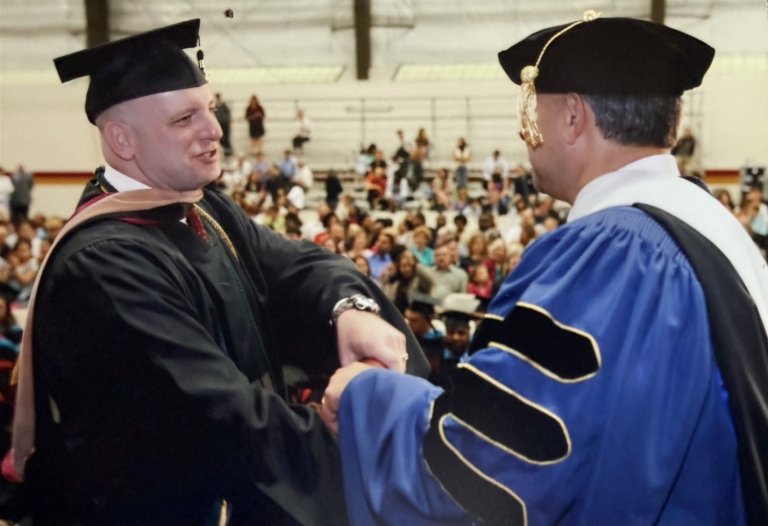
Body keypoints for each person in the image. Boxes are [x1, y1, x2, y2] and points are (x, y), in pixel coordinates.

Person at [320, 12, 768, 526]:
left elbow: (490, 467)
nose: (525, 130)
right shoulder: (713, 225)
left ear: (574, 116)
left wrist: (366, 397)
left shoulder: (615, 254)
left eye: (534, 107)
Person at [8, 19, 428, 525]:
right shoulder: (102, 264)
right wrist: (360, 441)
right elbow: (211, 415)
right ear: (122, 139)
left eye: (210, 107)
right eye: (185, 118)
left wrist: (350, 311)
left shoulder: (203, 208)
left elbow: (301, 266)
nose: (215, 129)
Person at [213, 92, 232, 157]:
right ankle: (224, 149)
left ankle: (228, 151)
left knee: (226, 137)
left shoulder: (224, 105)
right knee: (220, 138)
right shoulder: (214, 106)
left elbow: (228, 113)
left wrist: (228, 120)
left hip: (225, 123)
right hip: (219, 123)